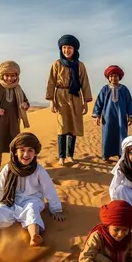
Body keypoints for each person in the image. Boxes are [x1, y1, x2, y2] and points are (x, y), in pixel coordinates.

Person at [0, 132, 65, 246]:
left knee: (32, 211)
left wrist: (56, 209)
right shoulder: (8, 168)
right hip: (11, 199)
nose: (26, 154)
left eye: (30, 150)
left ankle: (34, 236)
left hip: (33, 199)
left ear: (35, 153)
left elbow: (49, 189)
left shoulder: (39, 170)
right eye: (22, 150)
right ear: (15, 152)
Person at [45, 34, 93, 165]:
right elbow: (51, 82)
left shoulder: (80, 65)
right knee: (62, 126)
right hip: (61, 96)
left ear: (75, 49)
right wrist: (51, 101)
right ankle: (61, 157)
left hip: (76, 97)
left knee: (73, 125)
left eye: (69, 48)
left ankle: (70, 155)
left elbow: (85, 83)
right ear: (61, 49)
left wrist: (85, 103)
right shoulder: (57, 64)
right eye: (64, 47)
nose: (67, 50)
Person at [0, 61, 30, 175]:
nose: (10, 78)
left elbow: (26, 101)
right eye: (7, 75)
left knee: (16, 143)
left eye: (12, 75)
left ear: (16, 76)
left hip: (14, 120)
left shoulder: (18, 89)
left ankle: (15, 166)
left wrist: (25, 105)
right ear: (2, 76)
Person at [92, 65, 132, 162]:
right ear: (108, 78)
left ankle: (122, 155)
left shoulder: (124, 89)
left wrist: (130, 116)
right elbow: (99, 102)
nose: (113, 78)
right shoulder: (105, 89)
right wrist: (97, 115)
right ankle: (106, 155)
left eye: (116, 76)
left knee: (122, 135)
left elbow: (129, 102)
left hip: (121, 116)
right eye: (111, 76)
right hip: (107, 117)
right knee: (107, 134)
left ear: (119, 77)